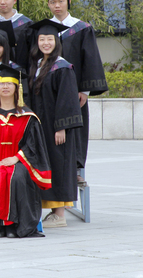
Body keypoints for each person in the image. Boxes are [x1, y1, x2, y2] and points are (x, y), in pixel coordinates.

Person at [39, 0, 108, 173]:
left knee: (76, 127)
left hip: (75, 91)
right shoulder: (45, 31)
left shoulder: (81, 28)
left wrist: (85, 91)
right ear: (48, 4)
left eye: (60, 1)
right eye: (53, 2)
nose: (57, 5)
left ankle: (76, 169)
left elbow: (90, 60)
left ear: (68, 1)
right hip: (49, 92)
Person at [0, 64, 51, 238]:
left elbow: (34, 145)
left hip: (21, 161)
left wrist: (16, 158)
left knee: (16, 176)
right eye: (1, 83)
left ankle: (16, 226)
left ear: (17, 88)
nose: (5, 87)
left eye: (9, 83)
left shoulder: (28, 117)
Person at [28, 19, 83, 228]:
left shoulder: (63, 67)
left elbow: (67, 100)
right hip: (42, 127)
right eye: (42, 39)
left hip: (56, 128)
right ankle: (52, 211)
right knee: (48, 165)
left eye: (49, 39)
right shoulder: (38, 65)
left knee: (59, 165)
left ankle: (60, 214)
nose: (45, 43)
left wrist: (61, 127)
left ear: (56, 41)